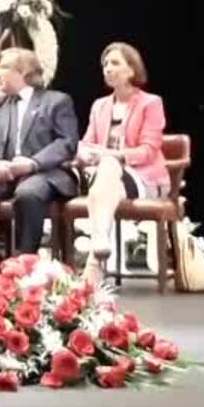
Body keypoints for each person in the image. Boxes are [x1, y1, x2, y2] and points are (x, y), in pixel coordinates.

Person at [0, 47, 77, 257]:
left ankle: (23, 260)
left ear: (23, 72)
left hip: (43, 173)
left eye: (3, 67)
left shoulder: (57, 101)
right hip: (3, 173)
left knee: (28, 193)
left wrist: (32, 163)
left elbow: (67, 142)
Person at [71, 42, 168, 280]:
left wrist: (110, 155)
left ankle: (96, 252)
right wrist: (84, 153)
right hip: (105, 178)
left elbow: (148, 151)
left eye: (115, 63)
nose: (108, 68)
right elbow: (87, 142)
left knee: (107, 168)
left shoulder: (151, 103)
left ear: (132, 69)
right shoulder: (99, 105)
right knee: (105, 178)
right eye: (105, 64)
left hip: (141, 177)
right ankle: (99, 247)